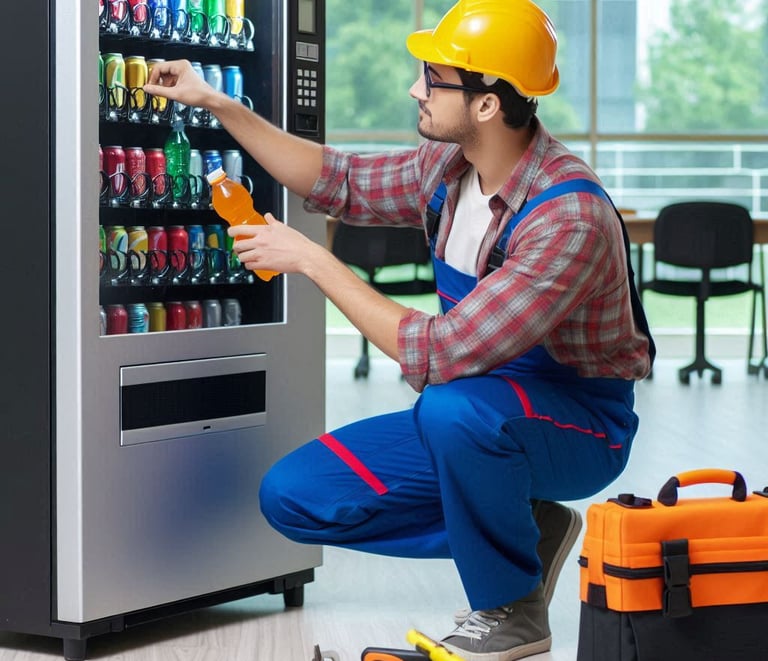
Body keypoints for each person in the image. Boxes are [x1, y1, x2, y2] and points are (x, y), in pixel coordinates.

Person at [145, 0, 654, 658]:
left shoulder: (567, 215)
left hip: (578, 423)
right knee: (293, 497)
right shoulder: (443, 171)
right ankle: (521, 525)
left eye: (433, 78)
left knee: (452, 408)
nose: (416, 88)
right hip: (474, 406)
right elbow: (339, 180)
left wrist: (311, 260)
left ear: (487, 105)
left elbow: (438, 353)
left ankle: (510, 609)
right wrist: (217, 102)